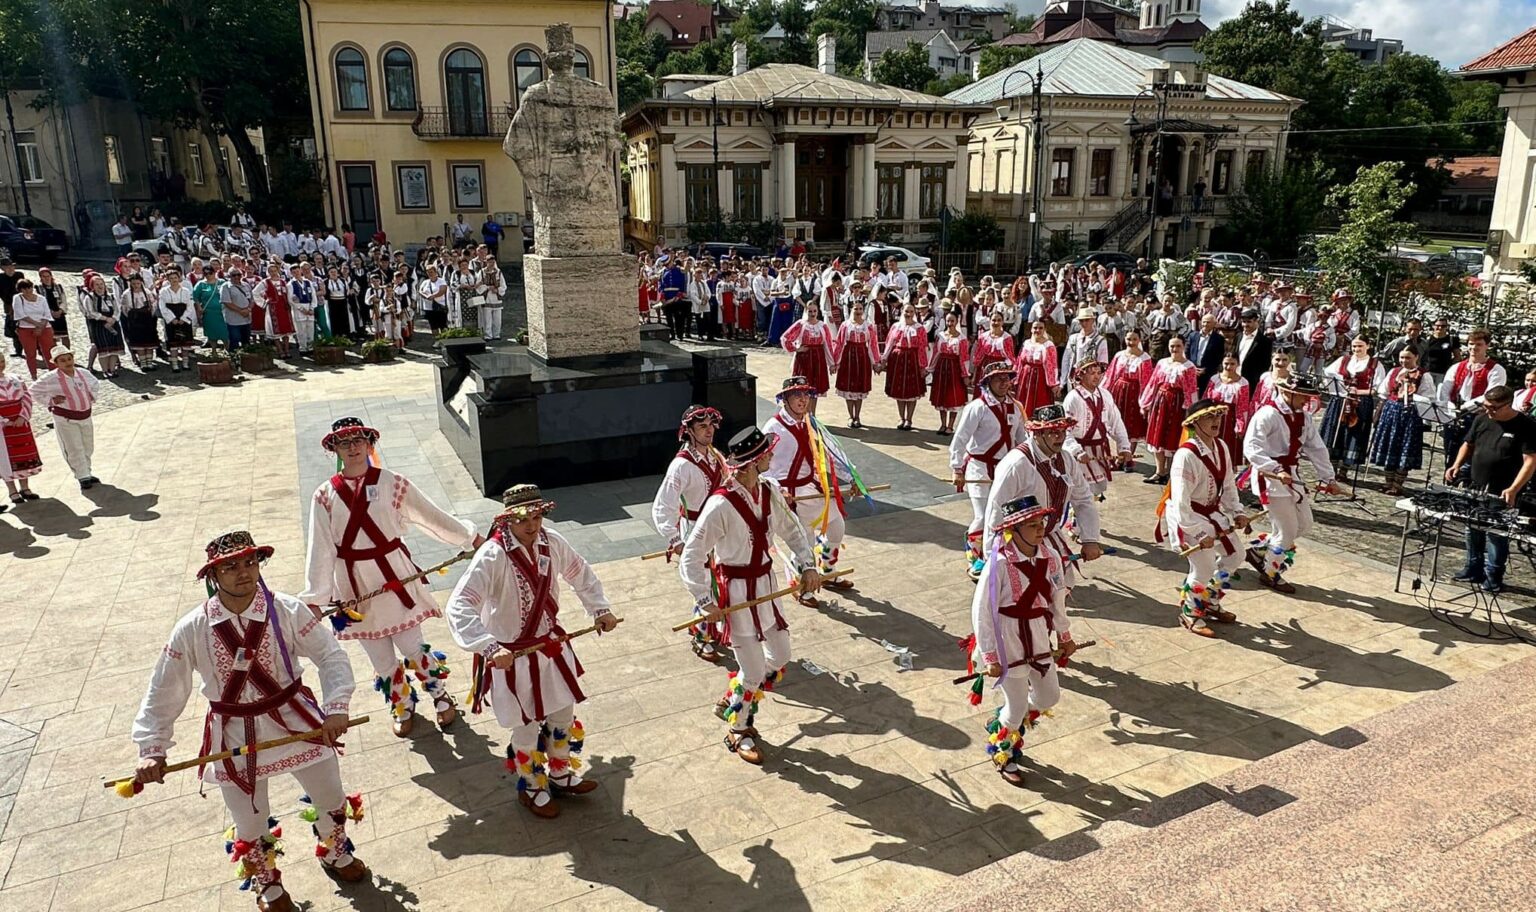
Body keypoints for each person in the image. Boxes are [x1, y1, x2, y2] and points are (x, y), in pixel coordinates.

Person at [130, 531, 368, 912]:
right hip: (235, 733)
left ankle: (334, 851)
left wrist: (337, 706)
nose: (244, 572)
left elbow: (330, 655)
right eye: (231, 566)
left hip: (296, 720)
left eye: (250, 562)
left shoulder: (287, 610)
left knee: (330, 794)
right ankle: (268, 884)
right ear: (213, 575)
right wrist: (152, 748)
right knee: (250, 819)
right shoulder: (191, 628)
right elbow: (164, 689)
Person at [301, 416, 482, 736]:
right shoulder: (324, 495)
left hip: (394, 577)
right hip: (354, 586)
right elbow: (321, 547)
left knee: (413, 645)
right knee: (380, 657)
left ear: (370, 445)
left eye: (359, 440)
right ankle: (401, 702)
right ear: (335, 450)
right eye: (345, 442)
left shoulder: (392, 482)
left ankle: (439, 695)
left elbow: (430, 516)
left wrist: (469, 537)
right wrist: (316, 597)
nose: (353, 447)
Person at [445, 483, 617, 818]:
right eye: (523, 518)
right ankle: (531, 786)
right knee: (525, 727)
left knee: (562, 714)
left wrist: (600, 609)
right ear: (507, 520)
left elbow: (579, 571)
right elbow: (459, 605)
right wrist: (488, 645)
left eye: (537, 515)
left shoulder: (551, 543)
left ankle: (560, 773)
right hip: (513, 657)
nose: (532, 524)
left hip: (550, 648)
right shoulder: (492, 555)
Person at [680, 427, 822, 765]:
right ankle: (739, 727)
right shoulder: (719, 505)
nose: (772, 456)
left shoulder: (769, 491)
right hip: (737, 593)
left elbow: (793, 530)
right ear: (753, 462)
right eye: (767, 454)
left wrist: (807, 566)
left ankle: (735, 696)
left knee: (781, 655)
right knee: (754, 668)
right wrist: (704, 601)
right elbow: (692, 553)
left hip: (766, 587)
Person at [966, 495, 1076, 786]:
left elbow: (1057, 599)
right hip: (1008, 637)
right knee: (1015, 705)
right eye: (1032, 525)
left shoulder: (1050, 557)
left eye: (1041, 523)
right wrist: (989, 655)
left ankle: (1003, 720)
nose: (1040, 530)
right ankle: (1003, 752)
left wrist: (1065, 636)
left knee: (1049, 696)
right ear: (1013, 530)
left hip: (1038, 633)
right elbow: (983, 610)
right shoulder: (999, 563)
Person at [1160, 399, 1253, 637]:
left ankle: (1209, 600)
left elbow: (1230, 485)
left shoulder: (1221, 447)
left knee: (1236, 555)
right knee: (1204, 566)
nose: (1216, 422)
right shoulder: (1185, 455)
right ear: (1195, 422)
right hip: (1189, 515)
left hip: (1212, 513)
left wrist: (1238, 512)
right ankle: (1190, 613)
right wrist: (1199, 533)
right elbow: (1181, 501)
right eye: (1210, 417)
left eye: (1219, 417)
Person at [985, 404, 1104, 588]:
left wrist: (1090, 539)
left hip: (1050, 535)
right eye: (1053, 432)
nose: (1060, 437)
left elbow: (1083, 500)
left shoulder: (1066, 460)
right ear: (1037, 434)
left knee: (1061, 587)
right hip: (1020, 541)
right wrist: (992, 559)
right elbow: (995, 513)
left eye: (1063, 431)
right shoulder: (1016, 464)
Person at [762, 376, 858, 601]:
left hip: (813, 488)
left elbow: (832, 452)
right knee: (803, 541)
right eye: (796, 395)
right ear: (784, 399)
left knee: (836, 527)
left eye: (805, 394)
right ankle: (801, 585)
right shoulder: (773, 428)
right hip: (790, 496)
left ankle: (827, 570)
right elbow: (762, 465)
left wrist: (852, 477)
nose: (802, 400)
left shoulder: (812, 423)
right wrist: (778, 490)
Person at [1242, 373, 1340, 594]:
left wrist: (1328, 478)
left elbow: (1316, 448)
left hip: (1292, 475)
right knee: (1286, 531)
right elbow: (1252, 448)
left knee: (1304, 525)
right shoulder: (1267, 414)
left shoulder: (1304, 418)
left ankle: (1259, 552)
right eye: (1302, 396)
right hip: (1271, 478)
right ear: (1286, 392)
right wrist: (1275, 469)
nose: (1306, 401)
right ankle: (1270, 574)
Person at [651, 405, 728, 663]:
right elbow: (664, 504)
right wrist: (675, 539)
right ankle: (701, 636)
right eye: (702, 427)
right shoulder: (681, 466)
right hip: (695, 529)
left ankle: (719, 626)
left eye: (711, 426)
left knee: (723, 577)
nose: (709, 431)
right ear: (690, 432)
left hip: (721, 528)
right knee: (703, 581)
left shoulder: (717, 456)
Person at [1445, 385, 1536, 593]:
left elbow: (1530, 460)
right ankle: (1472, 568)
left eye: (1493, 408)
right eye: (1486, 406)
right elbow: (1468, 444)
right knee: (1472, 527)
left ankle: (1493, 575)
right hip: (1477, 483)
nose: (1489, 411)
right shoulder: (1482, 419)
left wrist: (1514, 488)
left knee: (1497, 533)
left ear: (1508, 404)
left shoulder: (1526, 426)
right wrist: (1457, 465)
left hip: (1504, 488)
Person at [951, 361, 1025, 578]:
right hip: (979, 468)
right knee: (983, 516)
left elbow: (1021, 439)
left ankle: (1002, 554)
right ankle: (976, 557)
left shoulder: (1016, 406)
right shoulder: (976, 408)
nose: (1004, 382)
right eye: (998, 378)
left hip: (1006, 469)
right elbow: (960, 439)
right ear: (988, 382)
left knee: (1007, 514)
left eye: (1007, 378)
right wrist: (957, 469)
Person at [1370, 347, 1435, 495]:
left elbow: (1428, 397)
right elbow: (1384, 391)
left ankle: (1397, 484)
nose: (1404, 361)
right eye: (1401, 358)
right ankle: (1388, 482)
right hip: (1391, 412)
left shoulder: (1424, 375)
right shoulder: (1394, 372)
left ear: (1416, 357)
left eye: (1407, 358)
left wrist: (1413, 397)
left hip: (1410, 414)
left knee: (1404, 447)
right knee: (1389, 445)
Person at [1062, 360, 1131, 497]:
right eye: (1092, 373)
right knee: (1078, 493)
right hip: (1080, 453)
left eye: (1099, 373)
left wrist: (1124, 446)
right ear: (1080, 375)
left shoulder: (1105, 395)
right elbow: (1065, 429)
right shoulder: (1073, 398)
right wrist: (1076, 451)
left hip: (1099, 451)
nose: (1096, 377)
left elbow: (1116, 422)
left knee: (1096, 493)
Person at [1139, 336, 1201, 485]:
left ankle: (1172, 472)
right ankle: (1159, 471)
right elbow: (1153, 383)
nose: (1174, 349)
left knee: (1172, 437)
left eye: (1178, 346)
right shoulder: (1162, 363)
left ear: (1183, 347)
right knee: (1157, 436)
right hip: (1161, 401)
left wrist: (1190, 410)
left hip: (1177, 403)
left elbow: (1191, 390)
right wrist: (1145, 403)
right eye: (1172, 346)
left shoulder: (1189, 367)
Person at [1438, 329, 1505, 458]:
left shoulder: (1496, 370)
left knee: (1471, 457)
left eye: (1479, 344)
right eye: (1471, 344)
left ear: (1487, 345)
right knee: (1450, 454)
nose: (1474, 347)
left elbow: (1490, 395)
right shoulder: (1457, 367)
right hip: (1453, 415)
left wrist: (1464, 408)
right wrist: (1450, 407)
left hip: (1477, 416)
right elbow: (1445, 389)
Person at [1320, 337, 1385, 468]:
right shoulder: (1343, 360)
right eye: (1354, 346)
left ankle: (1345, 468)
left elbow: (1376, 389)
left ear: (1368, 345)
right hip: (1340, 400)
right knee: (1335, 430)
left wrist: (1357, 391)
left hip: (1360, 402)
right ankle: (1331, 467)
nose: (1356, 349)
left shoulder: (1375, 364)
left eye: (1360, 346)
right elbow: (1328, 375)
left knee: (1355, 433)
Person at [831, 300, 880, 428]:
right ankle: (850, 416)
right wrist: (836, 362)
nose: (858, 312)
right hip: (849, 357)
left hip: (862, 356)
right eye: (855, 309)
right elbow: (840, 343)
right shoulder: (845, 325)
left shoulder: (868, 326)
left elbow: (873, 345)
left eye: (860, 309)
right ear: (851, 310)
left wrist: (875, 362)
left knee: (859, 387)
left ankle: (857, 416)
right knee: (849, 387)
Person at [0, 352, 40, 503]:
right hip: (3, 428)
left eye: (2, 361)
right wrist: (5, 421)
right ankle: (12, 491)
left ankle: (25, 487)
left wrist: (22, 416)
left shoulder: (15, 378)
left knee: (24, 455)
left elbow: (27, 397)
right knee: (5, 458)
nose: (0, 365)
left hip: (20, 424)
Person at [883, 303, 929, 431]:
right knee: (899, 390)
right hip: (898, 359)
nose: (908, 314)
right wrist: (884, 359)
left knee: (912, 390)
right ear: (902, 312)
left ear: (914, 313)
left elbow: (922, 348)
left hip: (913, 359)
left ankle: (909, 418)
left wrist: (923, 366)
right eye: (906, 311)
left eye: (911, 311)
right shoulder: (896, 326)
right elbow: (889, 343)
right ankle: (901, 417)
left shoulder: (920, 328)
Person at [780, 302, 833, 404]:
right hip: (804, 359)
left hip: (818, 358)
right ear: (806, 312)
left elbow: (828, 345)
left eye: (814, 311)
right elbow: (785, 338)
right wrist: (796, 349)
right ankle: (804, 414)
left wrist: (831, 363)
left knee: (815, 388)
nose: (812, 314)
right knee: (803, 387)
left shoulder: (823, 326)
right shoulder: (801, 324)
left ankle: (812, 415)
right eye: (810, 311)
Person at [1205, 354, 1253, 461]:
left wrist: (1240, 426)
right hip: (1212, 416)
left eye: (1232, 364)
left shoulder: (1243, 383)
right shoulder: (1214, 379)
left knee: (1228, 450)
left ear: (1237, 365)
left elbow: (1243, 407)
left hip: (1230, 420)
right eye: (1226, 364)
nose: (1228, 367)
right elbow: (1206, 399)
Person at [929, 308, 970, 435]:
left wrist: (965, 374)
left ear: (957, 321)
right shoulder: (940, 336)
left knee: (953, 396)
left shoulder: (962, 339)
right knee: (942, 396)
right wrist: (930, 368)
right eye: (948, 321)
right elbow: (936, 353)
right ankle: (942, 424)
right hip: (942, 368)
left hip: (954, 368)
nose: (950, 323)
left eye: (952, 321)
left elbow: (964, 358)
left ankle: (950, 425)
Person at [79, 273, 124, 377]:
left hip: (113, 324)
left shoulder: (111, 297)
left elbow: (118, 309)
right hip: (99, 325)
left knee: (113, 349)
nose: (100, 286)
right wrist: (105, 318)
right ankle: (105, 371)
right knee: (103, 349)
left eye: (101, 284)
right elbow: (91, 312)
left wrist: (114, 318)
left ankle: (112, 370)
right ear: (92, 286)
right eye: (97, 285)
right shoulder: (89, 298)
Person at [1014, 320, 1059, 416]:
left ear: (1045, 330)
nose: (1037, 330)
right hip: (1025, 376)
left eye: (1040, 328)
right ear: (1031, 329)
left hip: (1041, 378)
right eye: (1035, 328)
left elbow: (1053, 365)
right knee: (1023, 402)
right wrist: (1015, 376)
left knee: (1040, 402)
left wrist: (1054, 384)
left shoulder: (1048, 345)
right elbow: (1019, 361)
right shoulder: (1026, 343)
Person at [157, 266, 197, 371]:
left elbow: (190, 305)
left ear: (179, 278)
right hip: (171, 318)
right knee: (173, 343)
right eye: (171, 278)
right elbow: (162, 306)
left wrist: (183, 318)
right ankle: (175, 365)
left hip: (184, 316)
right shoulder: (164, 291)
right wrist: (172, 319)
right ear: (168, 280)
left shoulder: (186, 291)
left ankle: (185, 363)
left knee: (185, 343)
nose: (174, 280)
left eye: (175, 278)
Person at [1060, 306, 1108, 383]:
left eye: (1087, 320)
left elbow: (1103, 363)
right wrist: (1063, 381)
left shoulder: (1100, 340)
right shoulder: (1073, 338)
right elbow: (1066, 359)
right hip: (1074, 378)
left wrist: (1099, 383)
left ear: (1093, 320)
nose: (1084, 323)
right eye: (1081, 321)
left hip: (1091, 379)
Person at [1235, 308, 1273, 390]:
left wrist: (1256, 380)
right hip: (1236, 377)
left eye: (1249, 322)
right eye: (1244, 322)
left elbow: (1265, 364)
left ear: (1257, 322)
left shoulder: (1264, 341)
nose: (1245, 325)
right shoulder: (1238, 336)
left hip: (1251, 381)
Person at [1185, 313, 1226, 390]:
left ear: (1214, 324)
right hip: (1192, 371)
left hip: (1208, 374)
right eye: (1204, 322)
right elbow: (1187, 353)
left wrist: (1207, 369)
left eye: (1208, 322)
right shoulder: (1193, 336)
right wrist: (1192, 367)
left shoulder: (1219, 339)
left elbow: (1219, 357)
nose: (1205, 324)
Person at [221, 268, 255, 354]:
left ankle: (246, 360)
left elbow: (252, 300)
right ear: (229, 276)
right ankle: (234, 360)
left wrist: (248, 309)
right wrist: (241, 311)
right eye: (234, 275)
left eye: (238, 275)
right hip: (233, 320)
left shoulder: (246, 285)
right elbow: (226, 302)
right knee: (234, 341)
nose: (236, 277)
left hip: (246, 319)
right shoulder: (226, 286)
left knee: (246, 341)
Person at [1419, 319, 1460, 384]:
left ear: (1447, 327)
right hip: (1427, 372)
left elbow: (1457, 357)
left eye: (1443, 326)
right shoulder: (1427, 340)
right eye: (1438, 325)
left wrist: (1450, 368)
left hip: (1443, 373)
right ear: (1433, 326)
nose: (1440, 328)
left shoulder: (1452, 340)